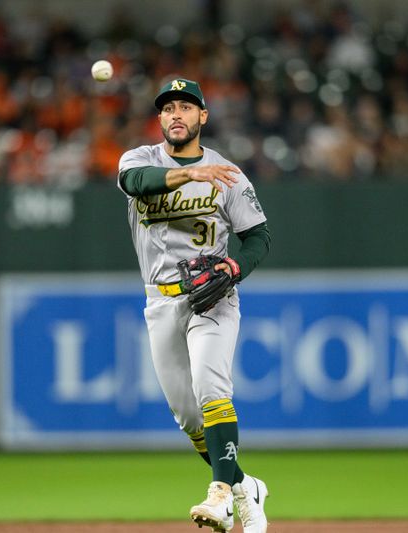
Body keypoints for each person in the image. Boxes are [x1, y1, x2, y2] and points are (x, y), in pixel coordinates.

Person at [117, 78, 271, 533]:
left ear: (203, 116)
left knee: (210, 388)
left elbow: (258, 237)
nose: (176, 114)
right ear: (160, 118)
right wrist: (188, 173)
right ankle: (247, 487)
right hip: (159, 301)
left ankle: (222, 496)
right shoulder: (140, 158)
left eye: (186, 107)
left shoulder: (228, 173)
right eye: (168, 108)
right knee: (187, 414)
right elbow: (135, 183)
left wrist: (233, 269)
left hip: (212, 298)